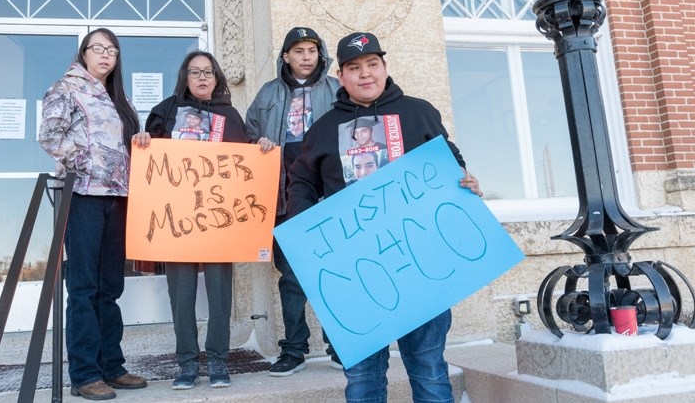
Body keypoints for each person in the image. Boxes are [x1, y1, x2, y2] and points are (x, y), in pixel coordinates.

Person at [287, 32, 482, 403]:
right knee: (362, 379)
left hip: (421, 265)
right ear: (341, 77)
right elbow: (301, 183)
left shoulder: (418, 112)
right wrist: (305, 228)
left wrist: (463, 179)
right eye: (354, 68)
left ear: (385, 67)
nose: (365, 74)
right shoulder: (324, 129)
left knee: (429, 372)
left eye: (372, 64)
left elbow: (449, 158)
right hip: (355, 274)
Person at [39, 28, 149, 401]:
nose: (106, 55)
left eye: (113, 51)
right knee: (84, 287)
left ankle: (112, 367)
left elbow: (125, 143)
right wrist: (90, 163)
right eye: (98, 48)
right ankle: (85, 374)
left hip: (118, 197)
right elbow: (50, 136)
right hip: (83, 195)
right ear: (83, 53)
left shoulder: (118, 97)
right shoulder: (66, 88)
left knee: (110, 287)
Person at [145, 51, 250, 390]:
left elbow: (245, 163)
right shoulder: (167, 111)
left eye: (208, 72)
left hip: (219, 219)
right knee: (182, 294)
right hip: (177, 219)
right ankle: (187, 364)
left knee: (220, 294)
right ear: (185, 77)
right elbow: (152, 159)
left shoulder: (230, 116)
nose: (202, 77)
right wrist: (143, 141)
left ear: (217, 77)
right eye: (195, 72)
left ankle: (219, 362)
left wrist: (260, 147)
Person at [245, 26, 341, 376]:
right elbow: (249, 134)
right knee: (291, 274)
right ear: (285, 56)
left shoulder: (336, 88)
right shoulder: (268, 93)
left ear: (320, 55)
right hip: (284, 194)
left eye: (311, 51)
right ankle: (295, 348)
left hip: (329, 194)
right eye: (298, 51)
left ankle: (341, 344)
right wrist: (260, 144)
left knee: (334, 269)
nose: (305, 57)